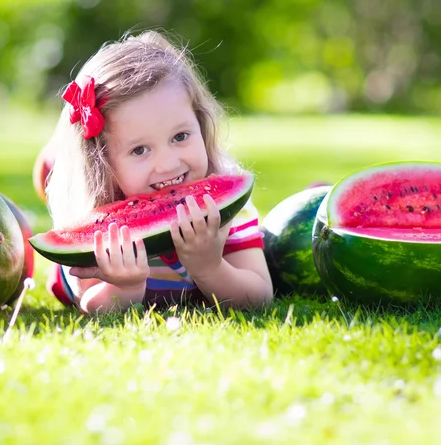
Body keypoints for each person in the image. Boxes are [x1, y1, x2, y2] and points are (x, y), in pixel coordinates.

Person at [43, 30, 273, 314]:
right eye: (139, 150)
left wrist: (210, 267)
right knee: (52, 173)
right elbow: (88, 303)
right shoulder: (89, 210)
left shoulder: (227, 206)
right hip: (86, 205)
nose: (167, 165)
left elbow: (260, 296)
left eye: (180, 137)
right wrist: (123, 288)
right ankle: (52, 163)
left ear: (201, 124)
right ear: (101, 162)